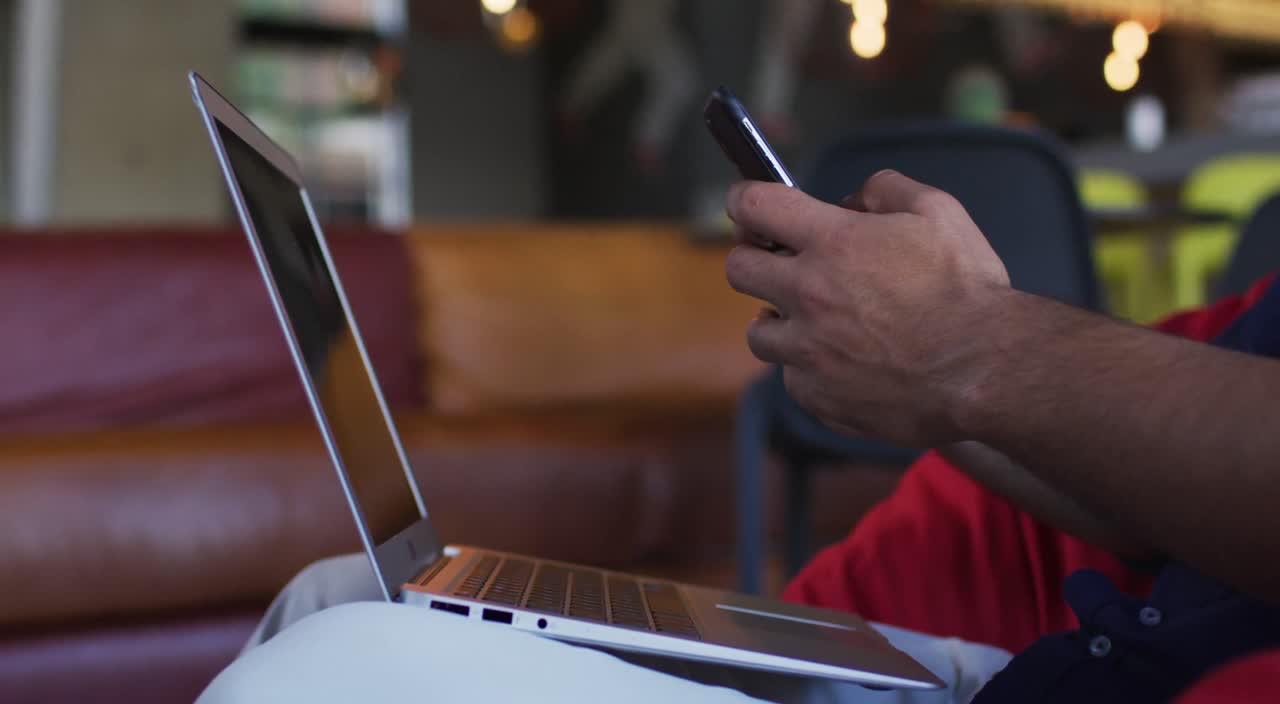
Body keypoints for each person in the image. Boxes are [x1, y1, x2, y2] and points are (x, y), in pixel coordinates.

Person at [203, 172, 1280, 703]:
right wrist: (946, 385)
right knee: (340, 592)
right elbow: (1186, 497)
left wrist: (967, 345)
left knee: (333, 669)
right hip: (1038, 671)